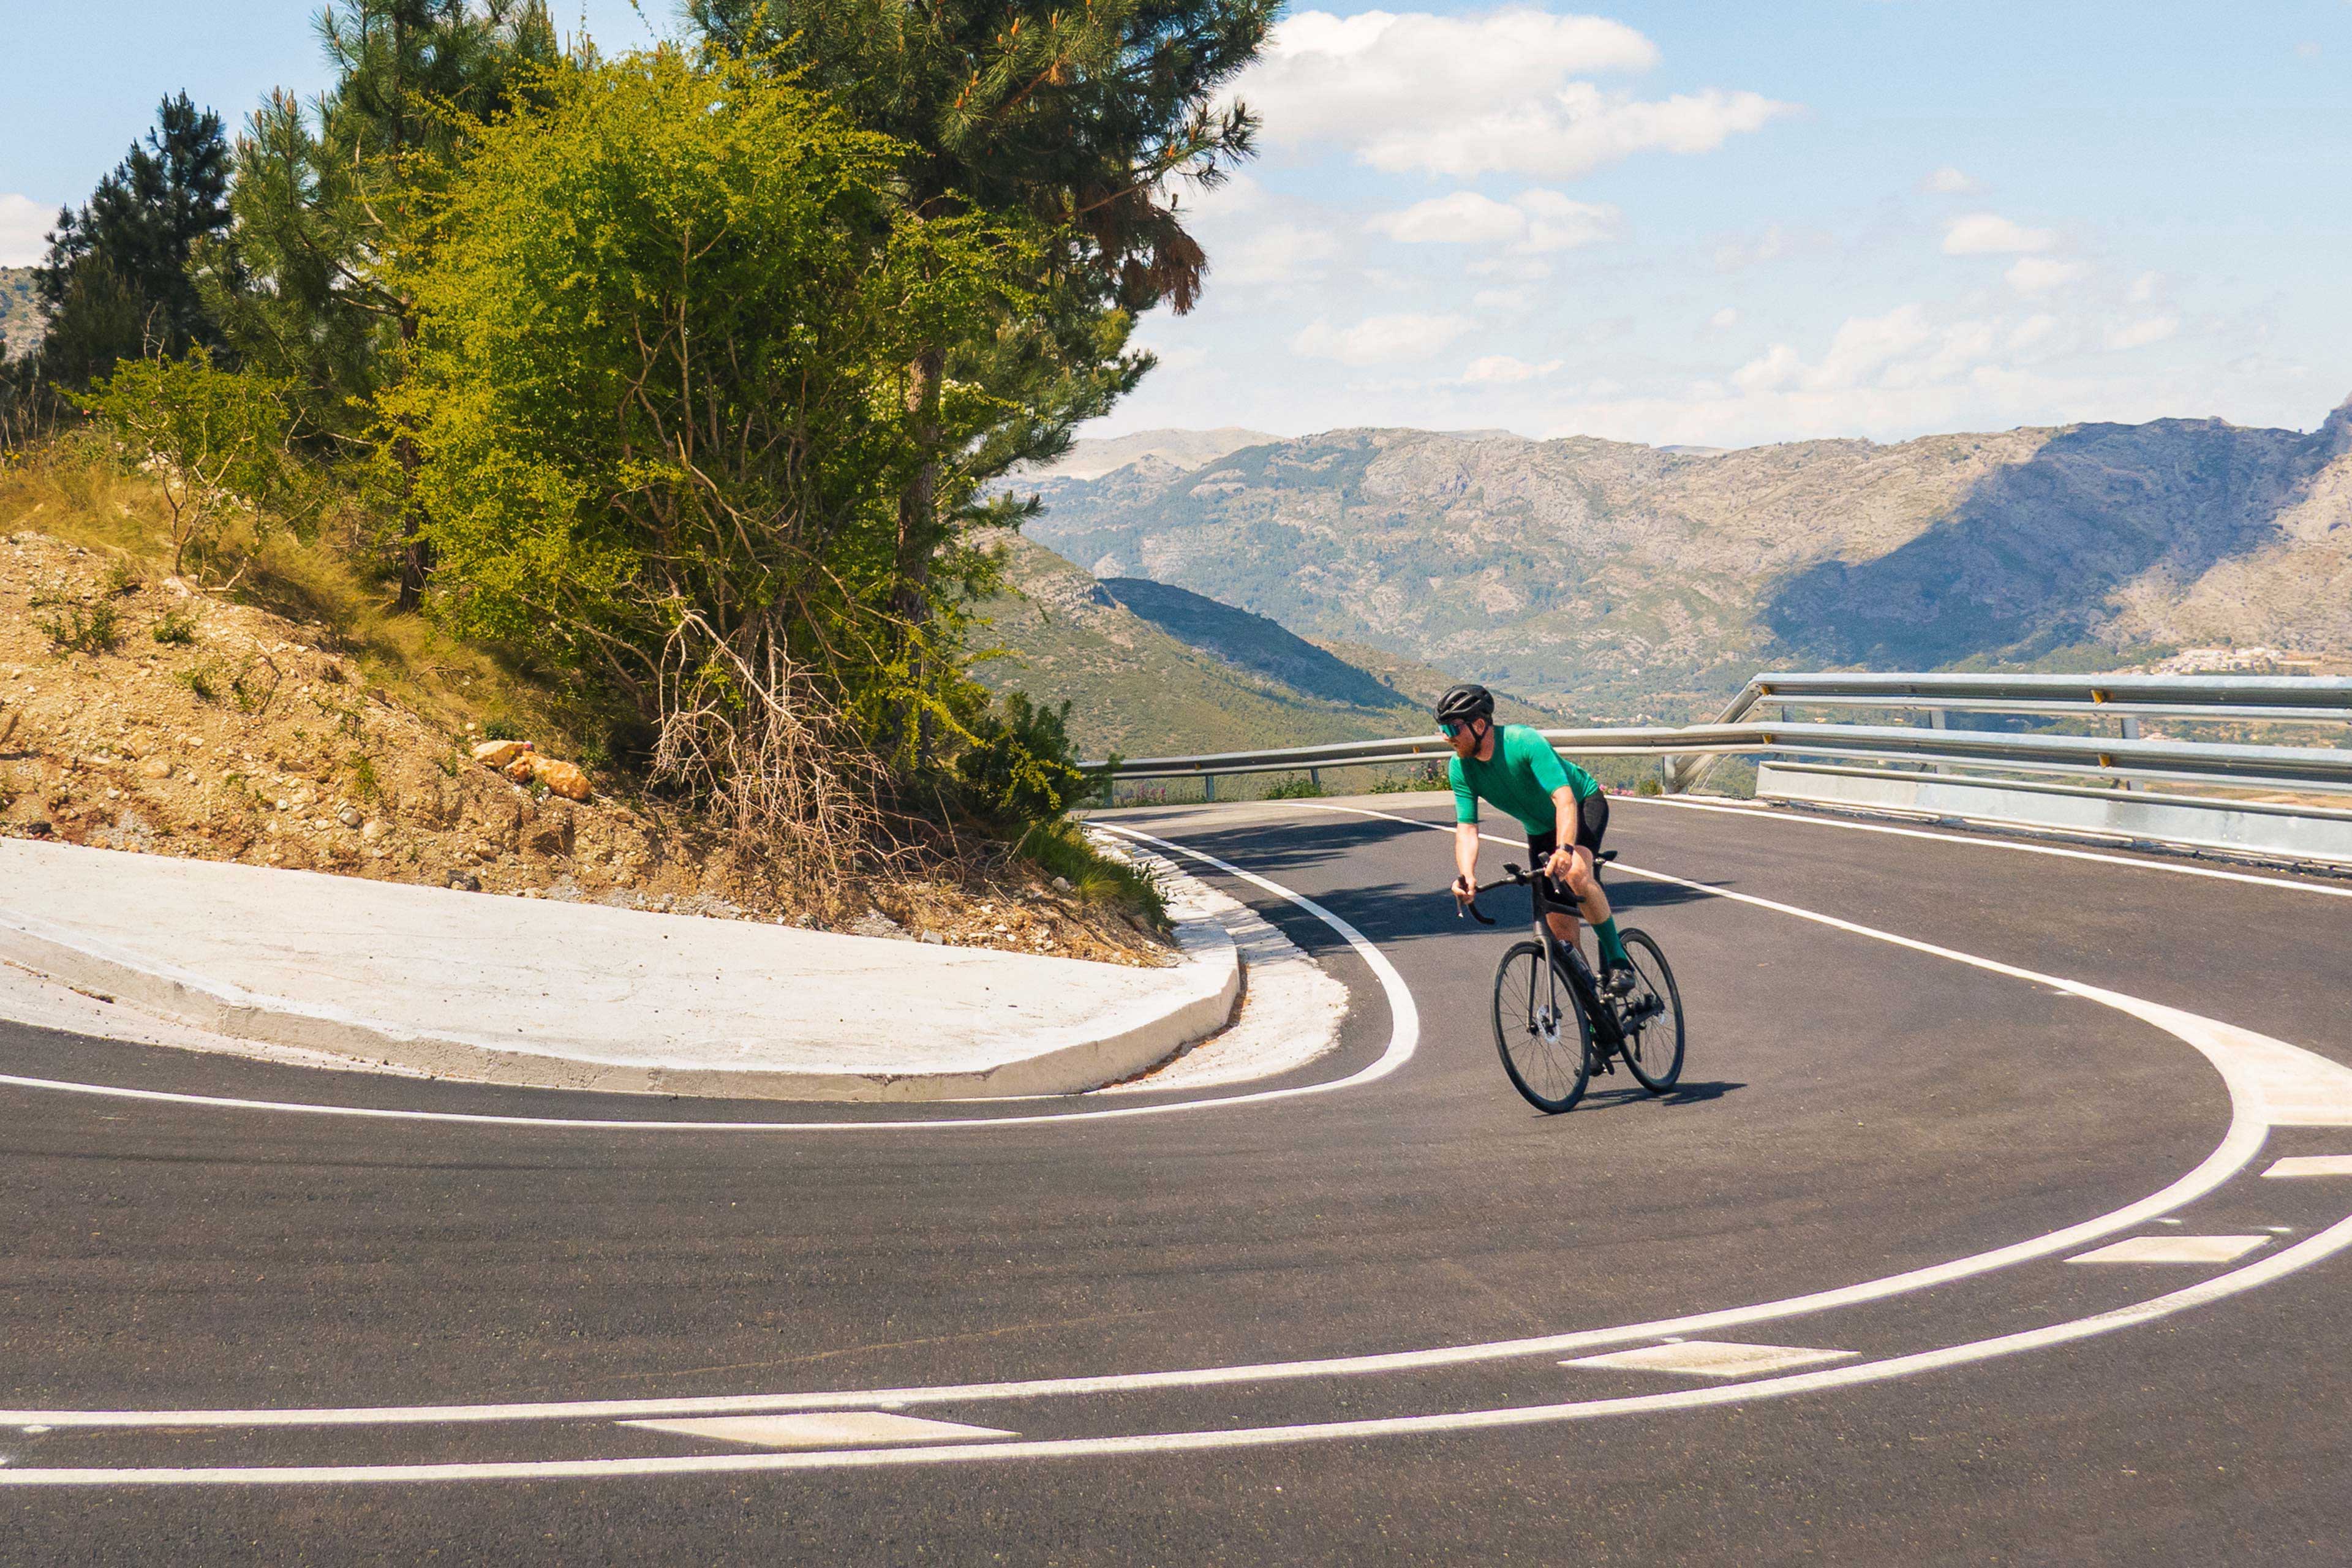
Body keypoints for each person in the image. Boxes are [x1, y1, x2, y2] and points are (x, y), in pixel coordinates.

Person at [1437, 682, 1634, 992]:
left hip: (1581, 805)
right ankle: (1597, 1018)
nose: (1446, 736)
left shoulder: (1522, 741)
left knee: (1577, 874)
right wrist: (1467, 876)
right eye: (1442, 728)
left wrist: (1566, 849)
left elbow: (1564, 800)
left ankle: (1619, 960)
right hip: (1540, 829)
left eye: (1452, 727)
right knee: (1562, 940)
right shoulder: (1460, 768)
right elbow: (1467, 829)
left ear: (1478, 725)